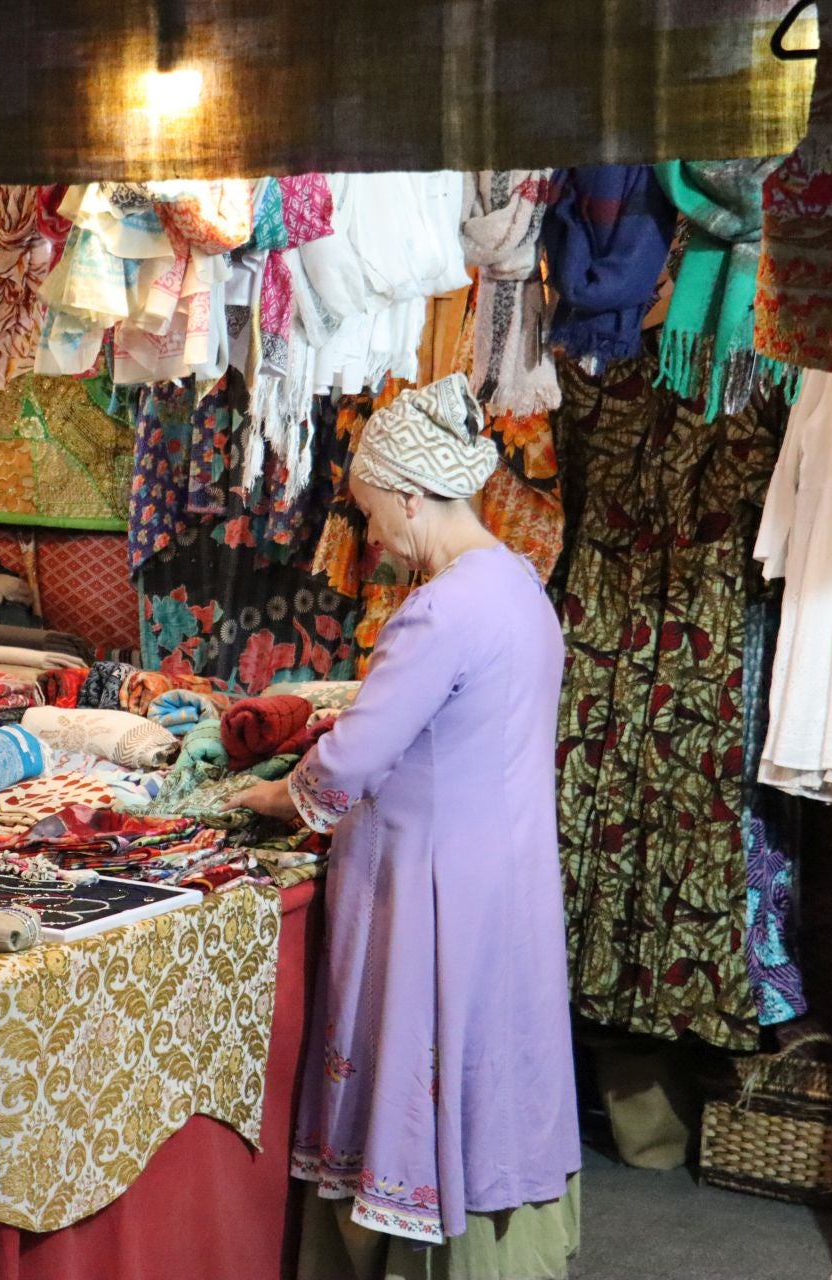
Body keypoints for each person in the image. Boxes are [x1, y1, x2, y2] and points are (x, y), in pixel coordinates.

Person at [234, 374, 581, 1280]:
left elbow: (352, 762)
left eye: (369, 510)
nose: (371, 534)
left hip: (428, 883)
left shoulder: (437, 611)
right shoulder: (518, 587)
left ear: (408, 493)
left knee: (423, 1058)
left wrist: (280, 796)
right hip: (503, 870)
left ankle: (406, 1244)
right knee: (491, 1056)